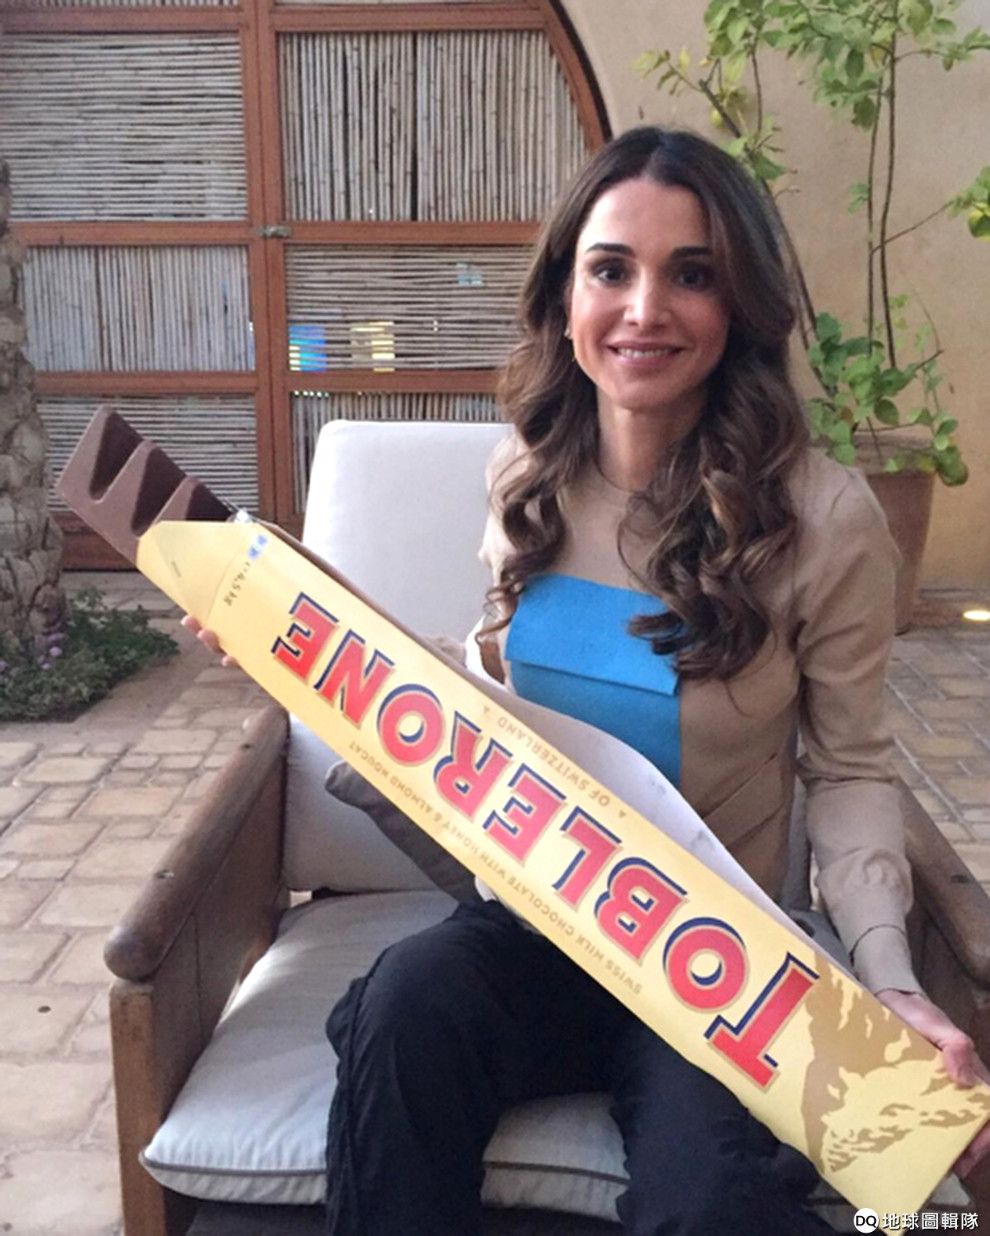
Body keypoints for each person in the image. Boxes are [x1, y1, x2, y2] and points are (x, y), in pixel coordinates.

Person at [186, 126, 989, 1235]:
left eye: (692, 274)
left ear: (740, 306)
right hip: (536, 930)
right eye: (611, 269)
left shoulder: (826, 519)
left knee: (708, 1199)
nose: (644, 309)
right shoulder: (525, 475)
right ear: (566, 296)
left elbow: (850, 770)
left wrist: (891, 981)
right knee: (401, 1013)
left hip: (715, 972)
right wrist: (318, 648)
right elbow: (488, 707)